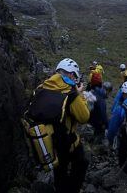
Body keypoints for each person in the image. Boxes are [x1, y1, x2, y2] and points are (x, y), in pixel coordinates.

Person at [36, 58, 90, 193]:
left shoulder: (42, 87)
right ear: (71, 75)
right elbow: (84, 117)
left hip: (47, 138)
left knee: (59, 172)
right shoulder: (71, 94)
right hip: (65, 142)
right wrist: (81, 94)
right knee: (81, 163)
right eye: (75, 76)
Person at [88, 73, 108, 137]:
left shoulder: (90, 93)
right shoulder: (101, 95)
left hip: (91, 121)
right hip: (98, 122)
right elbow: (103, 112)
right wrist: (106, 125)